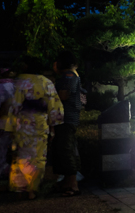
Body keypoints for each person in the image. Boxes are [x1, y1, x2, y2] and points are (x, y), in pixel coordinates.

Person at [7, 59, 63, 199]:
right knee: (38, 156)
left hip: (23, 123)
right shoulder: (46, 82)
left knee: (22, 154)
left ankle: (21, 187)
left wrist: (10, 125)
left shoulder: (20, 82)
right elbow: (54, 105)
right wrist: (53, 125)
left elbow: (14, 105)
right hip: (40, 122)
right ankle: (32, 188)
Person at [46, 51, 81, 197]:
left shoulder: (69, 76)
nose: (54, 65)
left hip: (66, 119)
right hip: (64, 118)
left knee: (66, 150)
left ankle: (73, 185)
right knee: (61, 150)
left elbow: (63, 95)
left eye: (56, 62)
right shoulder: (69, 76)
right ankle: (67, 182)